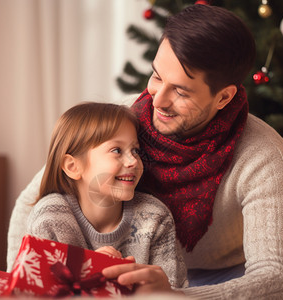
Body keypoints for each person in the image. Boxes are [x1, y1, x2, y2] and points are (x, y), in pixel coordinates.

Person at [7, 4, 283, 299]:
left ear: (223, 97)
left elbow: (279, 278)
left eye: (181, 92)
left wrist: (175, 296)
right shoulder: (124, 124)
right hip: (138, 272)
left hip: (226, 282)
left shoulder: (264, 155)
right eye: (157, 76)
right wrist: (19, 289)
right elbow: (29, 206)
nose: (157, 100)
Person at [22, 102, 187, 289]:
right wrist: (88, 271)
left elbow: (175, 290)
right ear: (72, 167)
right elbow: (33, 292)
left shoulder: (155, 216)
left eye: (135, 150)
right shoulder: (49, 217)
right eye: (117, 150)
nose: (133, 161)